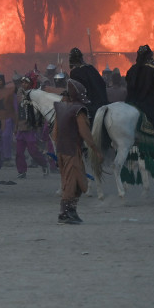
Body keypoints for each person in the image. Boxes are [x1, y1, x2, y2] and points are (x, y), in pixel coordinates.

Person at [52, 81, 100, 224]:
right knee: (71, 182)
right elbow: (85, 133)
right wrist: (96, 151)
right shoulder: (79, 110)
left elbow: (54, 134)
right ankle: (65, 213)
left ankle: (72, 211)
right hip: (72, 150)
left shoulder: (60, 108)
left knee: (77, 182)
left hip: (62, 150)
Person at [14, 72, 47, 179]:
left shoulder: (35, 94)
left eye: (26, 82)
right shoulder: (19, 93)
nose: (23, 84)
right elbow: (18, 111)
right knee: (19, 152)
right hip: (20, 127)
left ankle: (44, 164)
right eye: (22, 82)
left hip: (30, 128)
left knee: (33, 151)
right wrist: (16, 127)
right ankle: (22, 171)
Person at [68, 47, 108, 119]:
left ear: (72, 59)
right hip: (103, 102)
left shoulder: (75, 73)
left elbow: (76, 92)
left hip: (89, 107)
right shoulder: (91, 68)